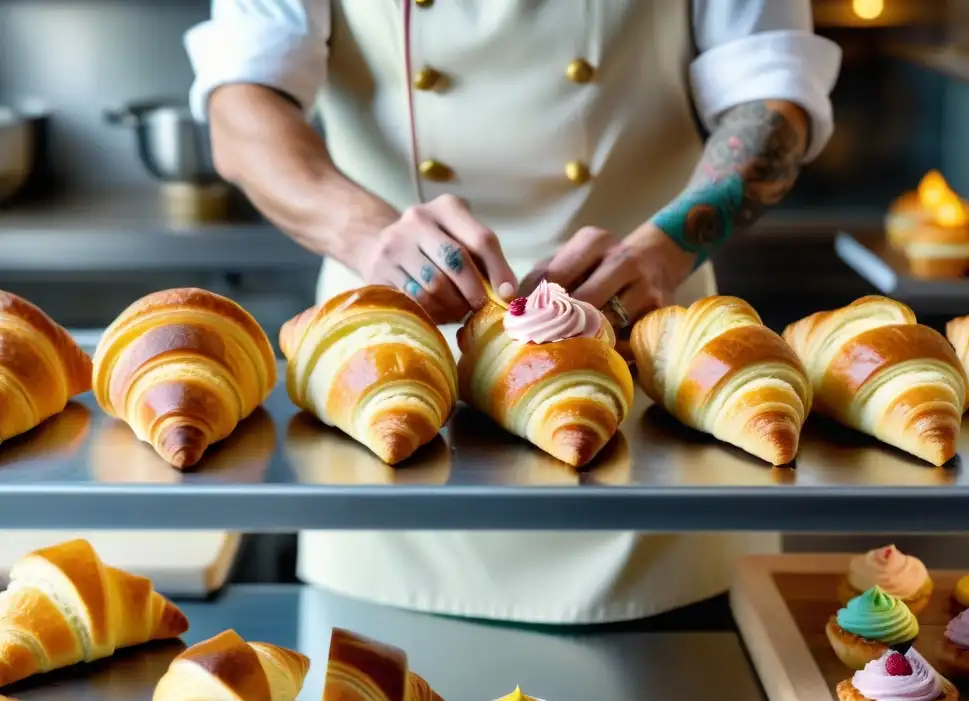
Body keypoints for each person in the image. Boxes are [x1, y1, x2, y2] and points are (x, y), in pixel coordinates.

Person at [185, 0, 841, 624]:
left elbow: (773, 94)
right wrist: (366, 233)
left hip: (655, 386)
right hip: (382, 390)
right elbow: (243, 106)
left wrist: (665, 252)